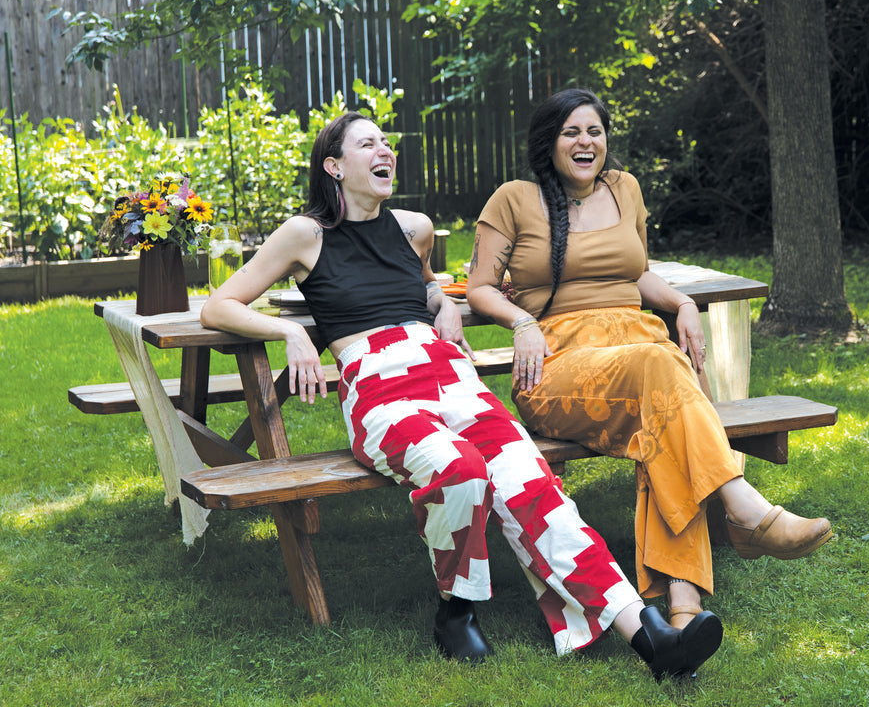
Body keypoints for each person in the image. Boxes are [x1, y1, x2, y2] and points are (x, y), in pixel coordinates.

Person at [200, 112, 723, 680]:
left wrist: (439, 298)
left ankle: (650, 636)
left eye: (386, 142)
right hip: (378, 387)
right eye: (367, 144)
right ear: (333, 166)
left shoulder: (413, 226)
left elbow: (421, 279)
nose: (384, 151)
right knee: (460, 470)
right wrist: (291, 331)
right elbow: (218, 304)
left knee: (533, 485)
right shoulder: (305, 234)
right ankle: (458, 608)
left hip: (450, 373)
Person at [466, 89, 833, 629]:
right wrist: (520, 321)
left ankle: (684, 609)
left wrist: (682, 301)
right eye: (572, 132)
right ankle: (745, 509)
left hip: (640, 349)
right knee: (661, 369)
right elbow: (478, 287)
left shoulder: (625, 189)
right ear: (549, 143)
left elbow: (635, 272)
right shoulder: (514, 199)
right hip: (561, 362)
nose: (586, 142)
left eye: (595, 131)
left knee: (663, 423)